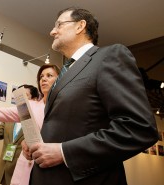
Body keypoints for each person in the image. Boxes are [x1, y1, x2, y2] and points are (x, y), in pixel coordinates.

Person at [20, 7, 158, 185]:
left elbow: (139, 128)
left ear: (80, 26)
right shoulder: (65, 72)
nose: (52, 31)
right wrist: (37, 143)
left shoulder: (109, 56)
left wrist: (64, 152)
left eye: (59, 25)